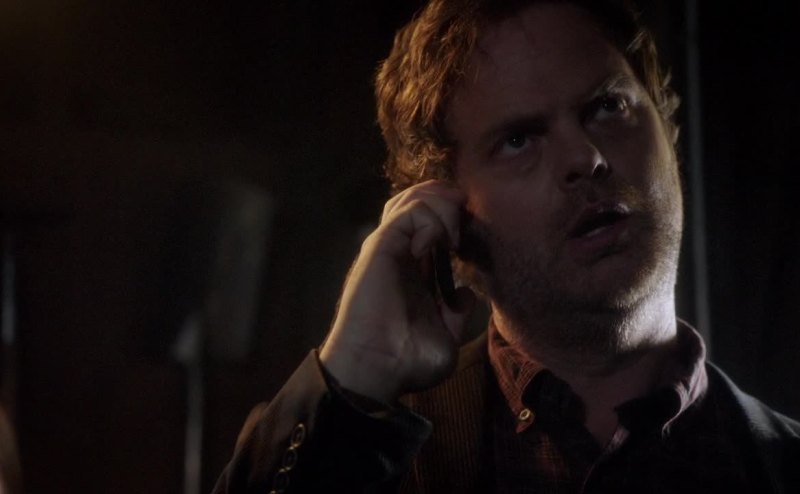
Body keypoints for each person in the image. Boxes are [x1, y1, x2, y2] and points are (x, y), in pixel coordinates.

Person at [213, 0, 800, 492]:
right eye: (519, 140)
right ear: (445, 208)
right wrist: (353, 376)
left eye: (607, 106)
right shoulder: (363, 459)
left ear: (666, 127)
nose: (584, 158)